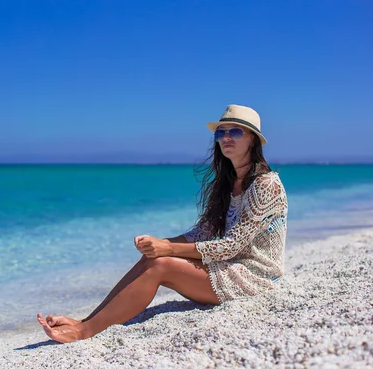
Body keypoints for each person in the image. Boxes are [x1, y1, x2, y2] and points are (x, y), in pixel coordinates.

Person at [37, 104, 289, 343]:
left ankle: (84, 332)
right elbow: (203, 232)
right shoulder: (227, 183)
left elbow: (232, 246)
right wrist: (159, 243)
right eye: (221, 133)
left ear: (252, 139)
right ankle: (86, 320)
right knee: (152, 258)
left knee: (162, 264)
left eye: (235, 131)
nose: (226, 138)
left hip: (257, 277)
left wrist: (167, 250)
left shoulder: (266, 184)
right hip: (230, 266)